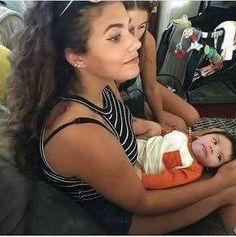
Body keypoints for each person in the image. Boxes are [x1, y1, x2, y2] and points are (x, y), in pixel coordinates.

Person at [7, 1, 236, 235]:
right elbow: (142, 202)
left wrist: (178, 135)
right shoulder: (79, 131)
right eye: (115, 37)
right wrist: (216, 184)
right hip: (122, 218)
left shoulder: (99, 83)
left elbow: (125, 124)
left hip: (131, 178)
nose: (136, 42)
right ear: (76, 56)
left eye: (130, 29)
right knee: (229, 190)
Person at [118, 1, 200, 130]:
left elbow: (150, 86)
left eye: (141, 26)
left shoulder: (147, 40)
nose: (135, 38)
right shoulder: (107, 47)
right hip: (122, 96)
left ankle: (148, 107)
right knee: (179, 125)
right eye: (129, 28)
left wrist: (161, 121)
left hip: (140, 86)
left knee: (193, 116)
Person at [135, 130, 236, 189]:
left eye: (219, 157)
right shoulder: (182, 136)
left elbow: (165, 181)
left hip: (139, 164)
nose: (212, 149)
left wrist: (142, 181)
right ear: (203, 135)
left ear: (212, 168)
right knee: (154, 127)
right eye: (214, 142)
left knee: (136, 175)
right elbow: (164, 135)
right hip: (141, 142)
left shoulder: (193, 170)